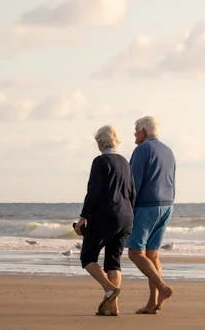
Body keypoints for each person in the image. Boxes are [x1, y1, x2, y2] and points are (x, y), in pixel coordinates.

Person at [74, 124, 136, 317]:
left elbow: (94, 192)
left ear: (101, 142)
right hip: (126, 216)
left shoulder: (100, 162)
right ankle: (113, 307)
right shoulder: (125, 162)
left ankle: (109, 289)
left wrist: (83, 217)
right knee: (113, 262)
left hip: (105, 215)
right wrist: (129, 214)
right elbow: (132, 192)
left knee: (87, 257)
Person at [126, 115, 175, 314]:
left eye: (136, 130)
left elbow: (133, 183)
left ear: (144, 131)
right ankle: (153, 302)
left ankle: (162, 288)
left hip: (147, 205)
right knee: (152, 254)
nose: (134, 134)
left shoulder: (142, 149)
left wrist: (127, 207)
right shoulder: (168, 151)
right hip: (167, 204)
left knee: (135, 253)